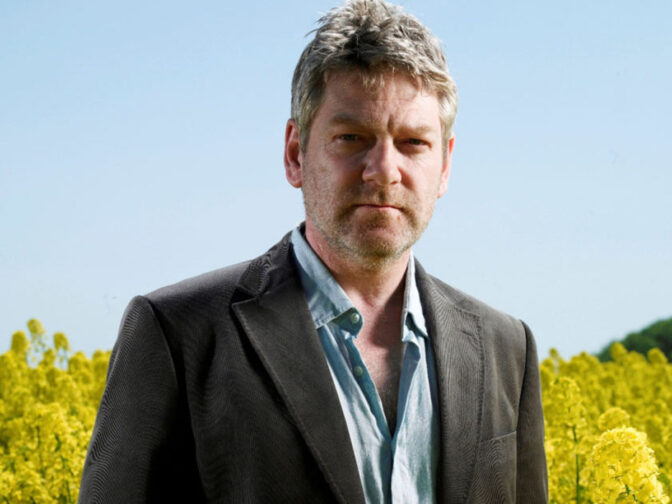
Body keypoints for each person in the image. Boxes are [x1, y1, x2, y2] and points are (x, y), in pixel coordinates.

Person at [79, 0, 547, 502]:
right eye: (352, 137)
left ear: (446, 166)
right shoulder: (177, 335)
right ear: (295, 153)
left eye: (413, 142)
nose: (383, 170)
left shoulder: (507, 348)